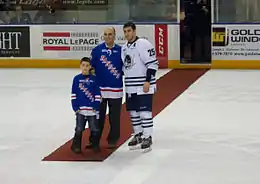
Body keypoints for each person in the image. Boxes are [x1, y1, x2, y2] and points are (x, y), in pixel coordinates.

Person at [121, 22, 159, 152]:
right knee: (133, 112)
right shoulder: (124, 47)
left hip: (143, 85)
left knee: (144, 112)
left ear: (134, 31)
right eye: (125, 31)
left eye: (129, 31)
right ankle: (138, 134)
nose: (127, 34)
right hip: (130, 86)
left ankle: (147, 136)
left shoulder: (143, 44)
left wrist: (148, 80)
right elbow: (125, 67)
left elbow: (153, 63)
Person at [87, 27, 123, 149]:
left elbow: (126, 68)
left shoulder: (121, 51)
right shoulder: (97, 50)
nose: (108, 36)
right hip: (100, 90)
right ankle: (94, 140)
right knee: (98, 117)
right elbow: (90, 68)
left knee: (114, 118)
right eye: (106, 34)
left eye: (110, 34)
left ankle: (113, 139)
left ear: (114, 36)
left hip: (116, 90)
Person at [70, 57, 101, 153]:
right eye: (83, 65)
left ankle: (95, 145)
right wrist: (75, 107)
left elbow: (97, 94)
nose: (85, 67)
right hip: (81, 110)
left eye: (87, 66)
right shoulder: (76, 79)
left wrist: (96, 107)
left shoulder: (95, 79)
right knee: (79, 128)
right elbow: (73, 94)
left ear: (90, 67)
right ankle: (76, 146)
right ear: (80, 66)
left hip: (92, 110)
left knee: (94, 128)